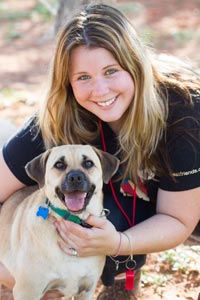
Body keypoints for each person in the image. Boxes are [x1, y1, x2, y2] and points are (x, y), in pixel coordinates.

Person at [0, 3, 200, 300]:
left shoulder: (185, 113)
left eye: (111, 71)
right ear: (67, 83)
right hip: (135, 192)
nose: (100, 90)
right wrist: (15, 266)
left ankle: (123, 279)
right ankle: (117, 275)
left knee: (116, 223)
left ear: (134, 65)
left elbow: (180, 219)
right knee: (95, 209)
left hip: (187, 200)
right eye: (83, 77)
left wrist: (118, 243)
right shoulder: (57, 118)